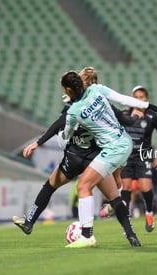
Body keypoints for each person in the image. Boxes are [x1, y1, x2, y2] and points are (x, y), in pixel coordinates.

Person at [12, 67, 139, 238]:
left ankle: (29, 222)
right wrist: (135, 117)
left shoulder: (73, 106)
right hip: (94, 157)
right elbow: (123, 120)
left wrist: (39, 142)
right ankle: (130, 233)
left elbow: (59, 125)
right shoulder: (100, 101)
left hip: (74, 156)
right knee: (115, 198)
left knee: (49, 186)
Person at [61, 71, 157, 248]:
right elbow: (124, 99)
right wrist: (150, 106)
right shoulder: (97, 89)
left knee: (83, 186)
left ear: (68, 90)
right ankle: (128, 229)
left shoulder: (73, 111)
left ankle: (87, 236)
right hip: (125, 142)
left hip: (113, 149)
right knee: (116, 192)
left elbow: (66, 135)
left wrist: (71, 125)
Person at [101, 85, 157, 233]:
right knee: (126, 189)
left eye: (142, 97)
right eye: (136, 97)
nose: (139, 100)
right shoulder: (125, 114)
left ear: (147, 99)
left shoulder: (152, 117)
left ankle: (149, 213)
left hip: (143, 157)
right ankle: (127, 221)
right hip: (126, 158)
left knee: (145, 188)